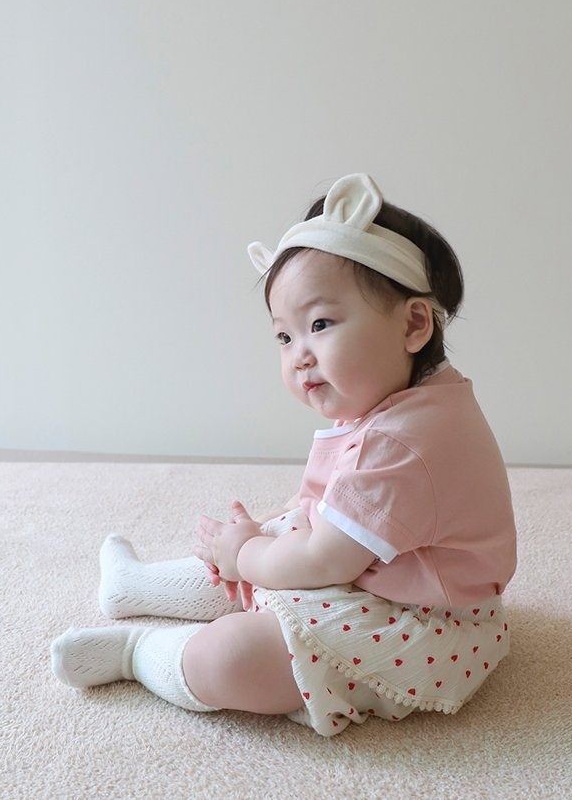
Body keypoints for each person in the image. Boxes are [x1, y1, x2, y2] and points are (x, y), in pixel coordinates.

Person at [50, 173, 517, 736]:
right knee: (268, 540)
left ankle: (142, 652)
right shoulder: (406, 402)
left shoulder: (403, 442)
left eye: (319, 324)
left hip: (423, 625)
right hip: (373, 570)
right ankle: (137, 587)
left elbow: (323, 563)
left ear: (414, 325)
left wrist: (247, 553)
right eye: (284, 336)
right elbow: (320, 526)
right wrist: (255, 542)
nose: (299, 355)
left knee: (234, 655)